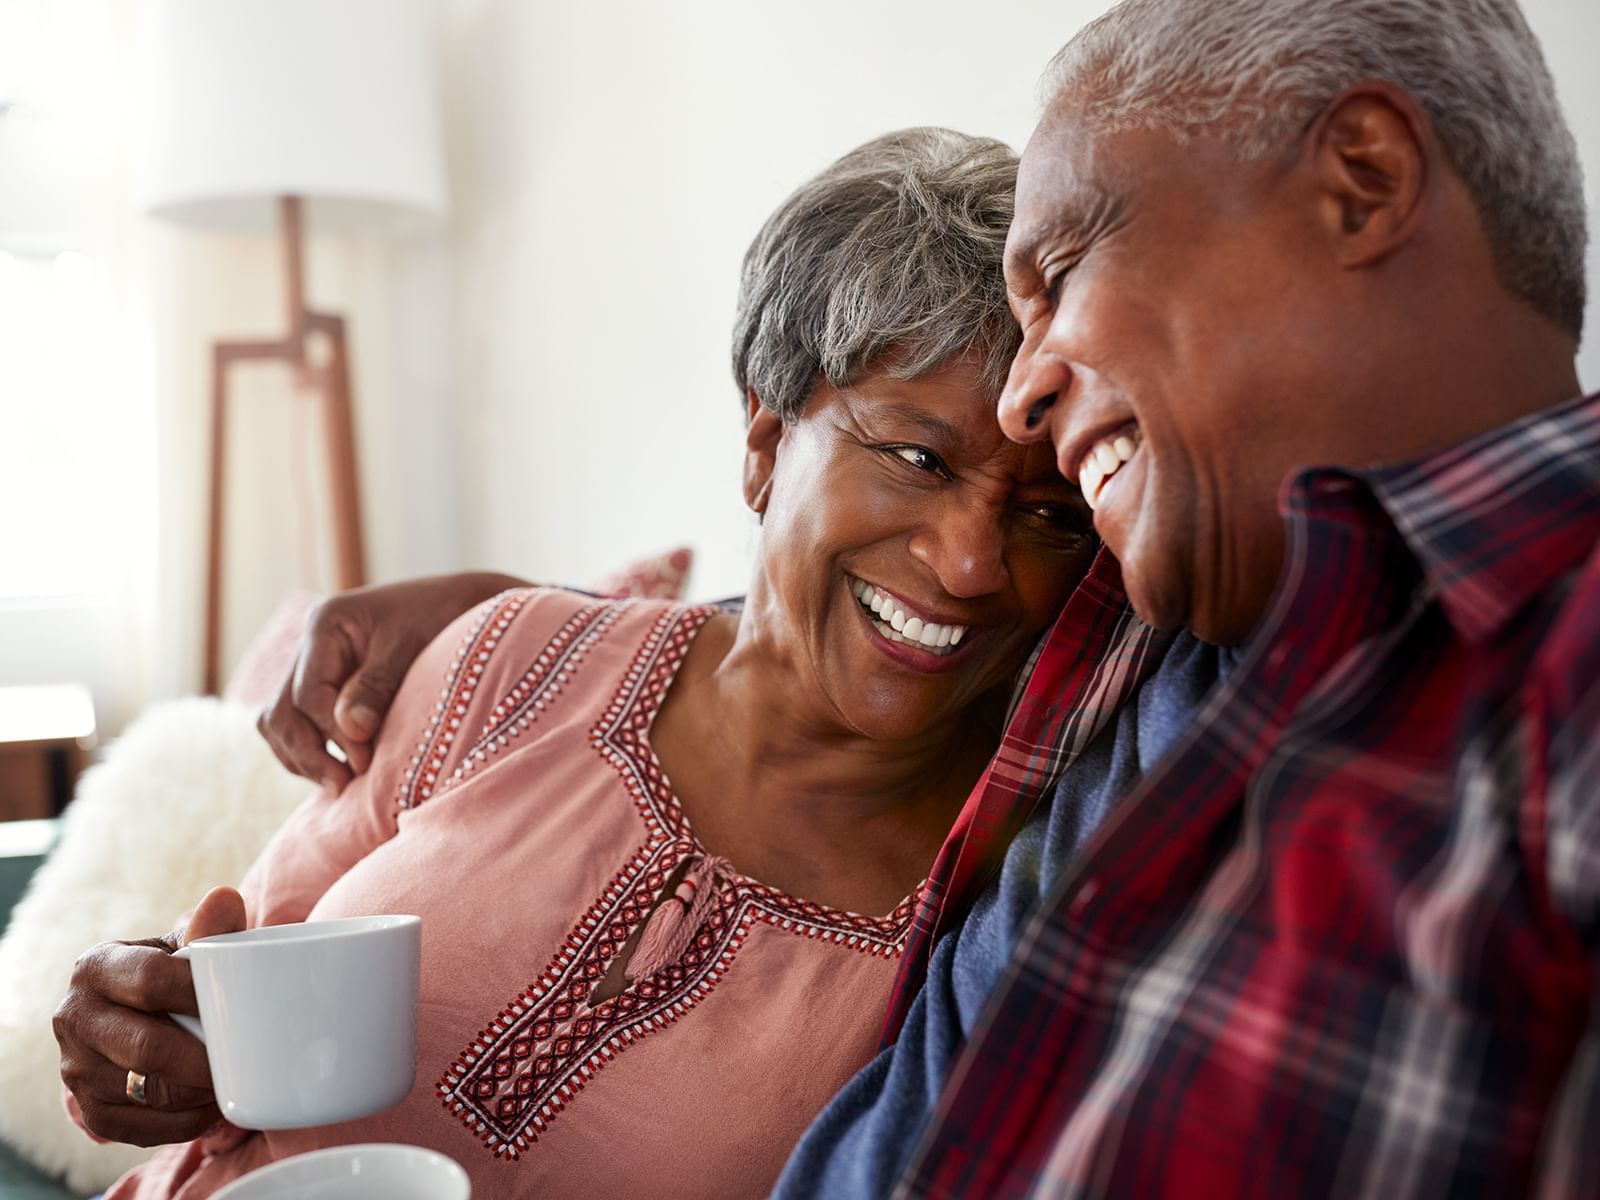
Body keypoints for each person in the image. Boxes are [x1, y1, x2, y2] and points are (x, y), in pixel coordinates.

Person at [265, 1, 1600, 1196]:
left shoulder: (1540, 680)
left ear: (1362, 182)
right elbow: (781, 641)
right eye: (920, 450)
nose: (1027, 392)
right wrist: (485, 625)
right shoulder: (1158, 638)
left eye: (1061, 270)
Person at [52, 128, 1101, 1200]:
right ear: (765, 437)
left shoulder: (996, 913)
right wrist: (138, 1033)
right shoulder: (510, 658)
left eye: (1049, 513)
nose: (973, 561)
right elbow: (223, 980)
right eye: (917, 458)